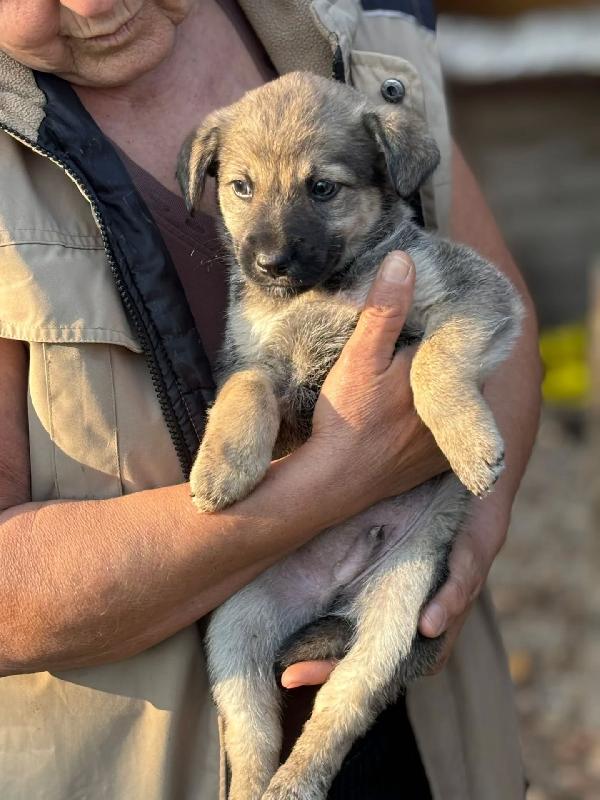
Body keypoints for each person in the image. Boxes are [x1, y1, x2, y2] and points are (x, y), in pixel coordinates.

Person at [0, 1, 541, 798]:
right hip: (148, 756)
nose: (91, 0)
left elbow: (498, 308)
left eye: (321, 188)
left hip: (429, 724)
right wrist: (338, 473)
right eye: (242, 190)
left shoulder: (351, 31)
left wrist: (473, 535)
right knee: (241, 637)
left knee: (387, 636)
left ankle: (319, 752)